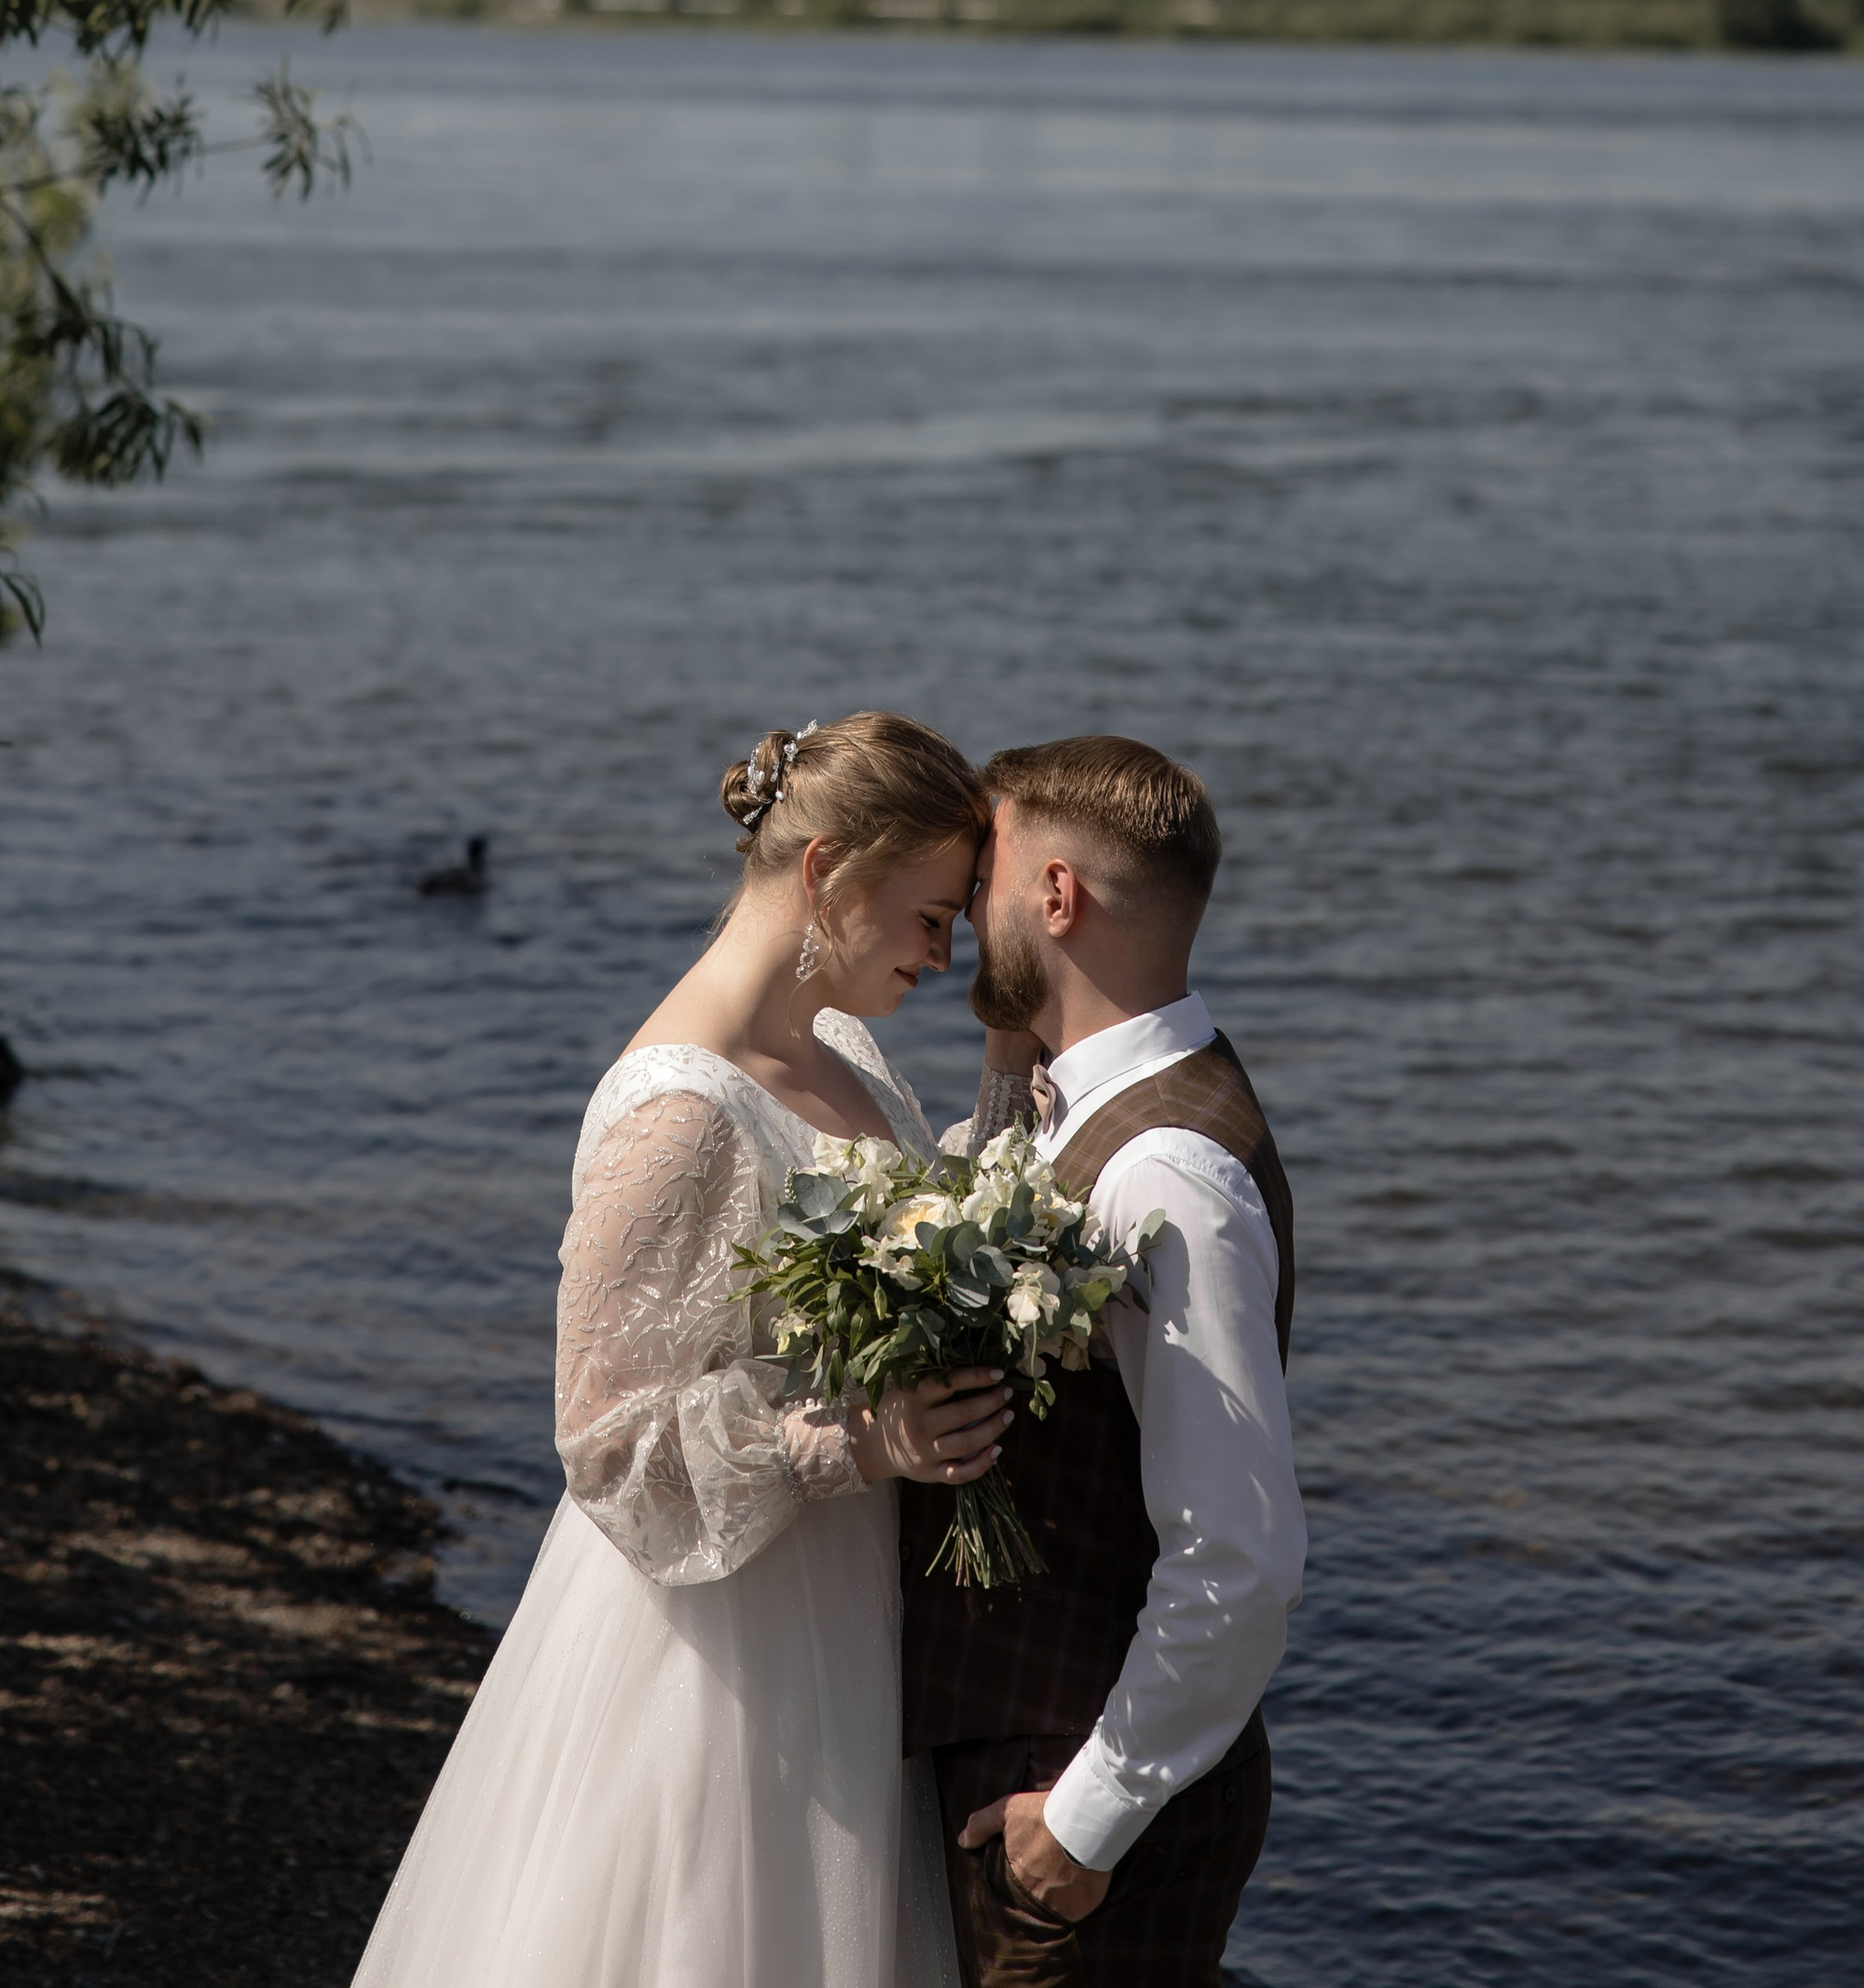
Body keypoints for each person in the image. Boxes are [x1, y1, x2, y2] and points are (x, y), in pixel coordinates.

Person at [347, 709, 1032, 1988]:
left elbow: (925, 1231)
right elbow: (608, 1444)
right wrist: (861, 1443)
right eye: (931, 917)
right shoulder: (678, 1116)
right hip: (723, 1645)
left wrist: (1010, 1062)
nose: (942, 959)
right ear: (826, 870)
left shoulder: (837, 1046)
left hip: (844, 1602)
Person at [901, 737, 1306, 1987]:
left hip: (1082, 1802)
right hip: (1042, 1757)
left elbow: (1240, 1559)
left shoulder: (1166, 1172)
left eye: (986, 885)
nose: (968, 913)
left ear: (1058, 897)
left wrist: (1076, 1832)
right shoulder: (1077, 1107)